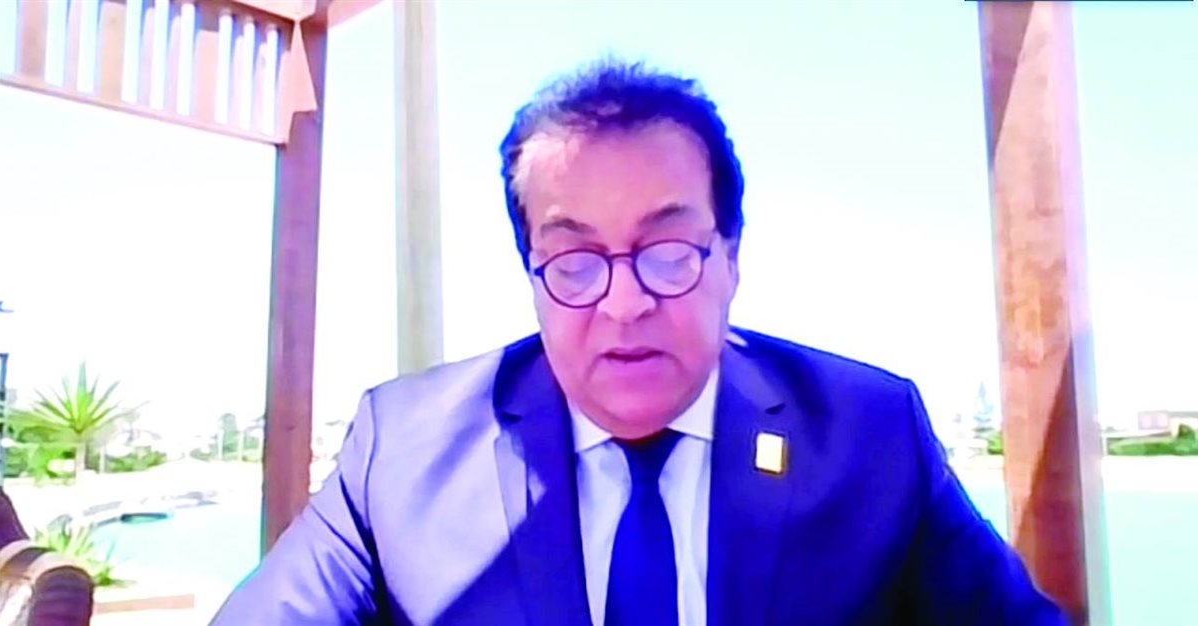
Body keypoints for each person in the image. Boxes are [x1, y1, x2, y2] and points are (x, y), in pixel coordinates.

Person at [211, 59, 1067, 626]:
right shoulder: (402, 453)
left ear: (731, 257)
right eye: (575, 262)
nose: (624, 304)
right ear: (531, 272)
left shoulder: (869, 436)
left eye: (667, 252)